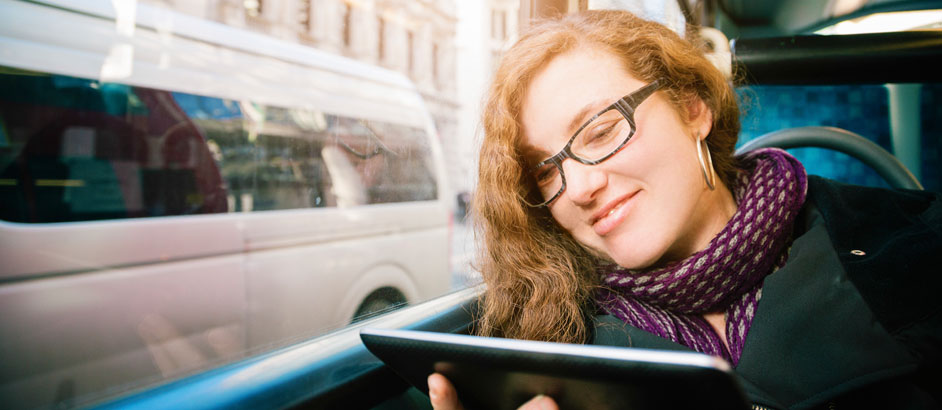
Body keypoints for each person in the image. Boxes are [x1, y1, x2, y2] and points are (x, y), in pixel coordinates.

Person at [428, 9, 942, 410]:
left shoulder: (914, 246)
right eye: (544, 170)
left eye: (602, 130)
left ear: (693, 109)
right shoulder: (547, 339)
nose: (578, 186)